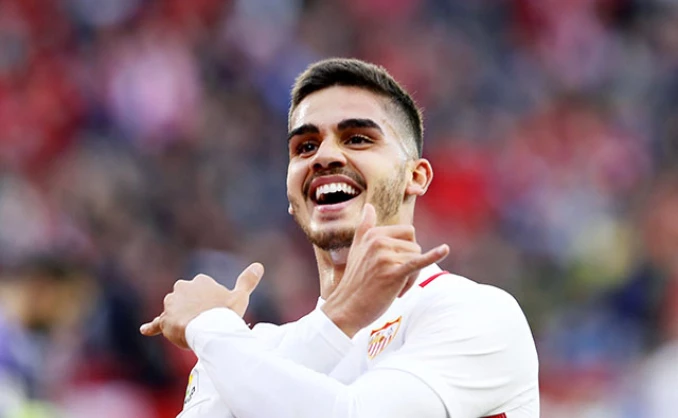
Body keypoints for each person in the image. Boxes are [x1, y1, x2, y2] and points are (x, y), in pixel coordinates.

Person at [140, 58, 540, 418]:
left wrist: (208, 326)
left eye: (357, 139)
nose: (324, 157)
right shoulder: (248, 351)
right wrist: (222, 337)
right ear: (291, 195)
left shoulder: (474, 313)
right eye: (305, 146)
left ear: (415, 177)